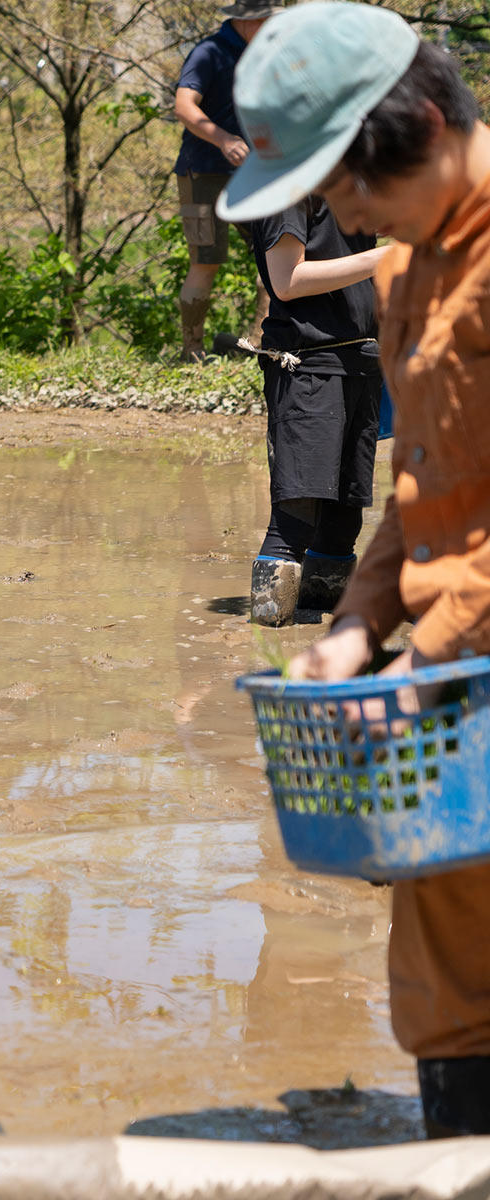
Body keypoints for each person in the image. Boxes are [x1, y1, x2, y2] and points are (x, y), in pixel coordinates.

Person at [218, 0, 490, 1137]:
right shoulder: (417, 268)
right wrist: (358, 627)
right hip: (455, 684)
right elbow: (428, 480)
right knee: (451, 969)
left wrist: (428, 656)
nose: (341, 219)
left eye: (340, 188)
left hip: (458, 662)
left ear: (409, 129)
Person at [242, 195, 387, 625]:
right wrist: (383, 258)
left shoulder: (350, 184)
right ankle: (268, 637)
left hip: (361, 360)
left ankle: (323, 630)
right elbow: (287, 280)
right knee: (297, 513)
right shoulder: (288, 188)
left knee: (344, 519)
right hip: (309, 364)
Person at [173, 0, 279, 362]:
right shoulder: (209, 52)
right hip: (203, 171)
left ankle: (263, 345)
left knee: (275, 254)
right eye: (265, 20)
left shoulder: (264, 54)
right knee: (206, 262)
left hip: (253, 173)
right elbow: (184, 105)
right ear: (246, 21)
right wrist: (223, 139)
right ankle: (192, 352)